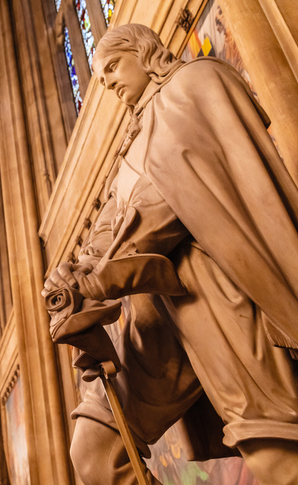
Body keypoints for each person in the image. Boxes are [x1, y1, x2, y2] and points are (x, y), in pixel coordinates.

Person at [42, 24, 298, 485]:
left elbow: (171, 194)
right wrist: (74, 270)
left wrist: (97, 277)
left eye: (113, 67)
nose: (109, 82)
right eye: (99, 78)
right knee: (95, 446)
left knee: (277, 450)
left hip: (213, 292)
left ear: (143, 52)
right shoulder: (132, 140)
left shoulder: (194, 84)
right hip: (154, 314)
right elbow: (112, 220)